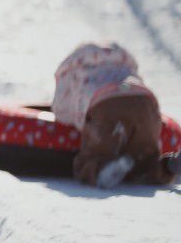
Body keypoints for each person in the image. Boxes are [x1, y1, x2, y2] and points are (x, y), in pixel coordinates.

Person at [52, 41, 176, 187]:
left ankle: (103, 169)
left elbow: (60, 107)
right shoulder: (125, 64)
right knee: (146, 155)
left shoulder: (74, 68)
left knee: (96, 153)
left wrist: (71, 120)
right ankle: (169, 165)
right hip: (145, 103)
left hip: (105, 106)